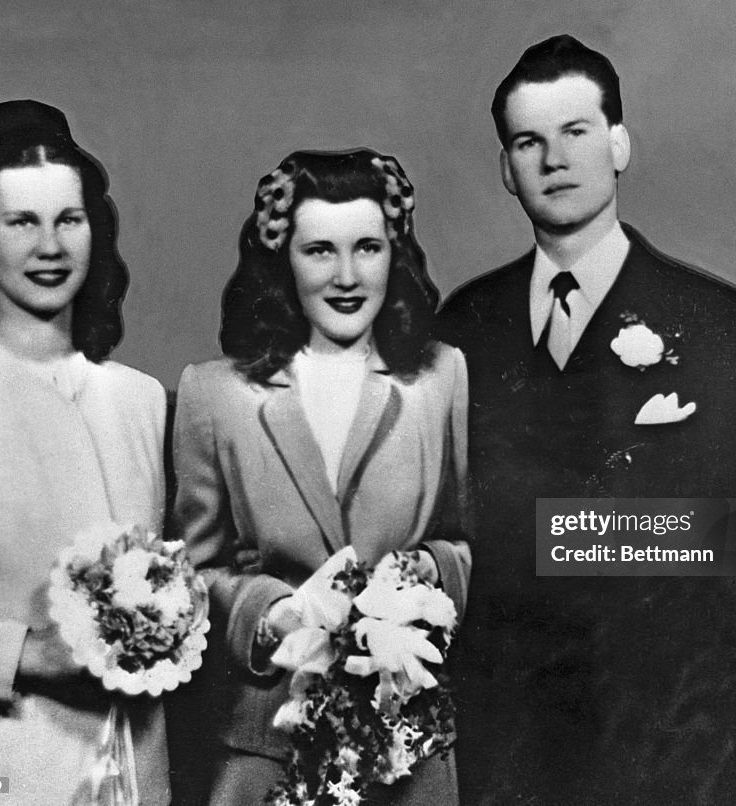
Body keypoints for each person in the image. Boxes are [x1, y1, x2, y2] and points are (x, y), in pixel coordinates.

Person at [436, 35, 736, 805]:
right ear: (506, 171)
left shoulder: (715, 319)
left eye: (575, 133)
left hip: (662, 728)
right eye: (527, 142)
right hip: (504, 733)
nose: (553, 160)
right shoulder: (463, 323)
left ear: (618, 144)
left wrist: (557, 533)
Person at [171, 149, 471, 805]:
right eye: (319, 251)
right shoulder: (213, 394)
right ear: (283, 260)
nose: (346, 275)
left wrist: (428, 575)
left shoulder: (441, 376)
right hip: (266, 748)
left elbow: (471, 539)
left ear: (395, 254)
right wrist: (273, 614)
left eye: (367, 248)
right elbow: (195, 575)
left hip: (408, 749)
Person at [0, 100, 169, 804]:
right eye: (22, 222)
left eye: (69, 219)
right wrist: (23, 654)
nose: (51, 246)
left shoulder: (141, 400)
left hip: (135, 772)